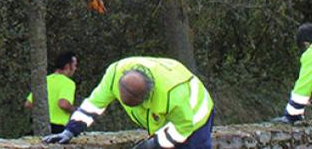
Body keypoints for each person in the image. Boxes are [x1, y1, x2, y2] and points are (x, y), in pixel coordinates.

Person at [42, 56, 213, 149]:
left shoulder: (171, 93)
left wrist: (152, 145)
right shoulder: (114, 76)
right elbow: (93, 105)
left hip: (196, 117)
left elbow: (182, 128)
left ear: (149, 94)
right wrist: (70, 131)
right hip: (169, 119)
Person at [25, 51, 79, 133]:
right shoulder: (68, 83)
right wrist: (76, 110)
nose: (75, 69)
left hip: (39, 126)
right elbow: (63, 104)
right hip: (57, 127)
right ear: (68, 66)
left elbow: (28, 104)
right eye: (75, 65)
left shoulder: (44, 80)